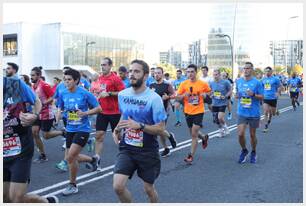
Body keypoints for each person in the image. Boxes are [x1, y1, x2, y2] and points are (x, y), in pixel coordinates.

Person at [112, 59, 167, 203]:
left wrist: (141, 126)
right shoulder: (123, 95)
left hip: (147, 150)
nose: (132, 74)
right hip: (127, 147)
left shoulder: (154, 99)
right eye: (130, 71)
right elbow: (125, 115)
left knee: (148, 189)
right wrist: (117, 129)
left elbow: (161, 128)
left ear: (145, 75)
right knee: (118, 186)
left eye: (136, 71)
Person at [4, 63, 58, 203]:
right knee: (5, 199)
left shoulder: (14, 84)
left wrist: (34, 115)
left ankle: (47, 202)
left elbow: (36, 101)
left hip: (20, 148)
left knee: (16, 198)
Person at [57, 68, 102, 196]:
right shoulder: (63, 93)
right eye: (65, 80)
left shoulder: (85, 93)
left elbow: (99, 108)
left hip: (83, 129)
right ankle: (93, 160)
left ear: (76, 80)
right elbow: (60, 107)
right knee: (70, 157)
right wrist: (58, 116)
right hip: (70, 129)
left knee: (70, 157)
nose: (66, 82)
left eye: (69, 80)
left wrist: (85, 113)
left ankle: (72, 185)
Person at [88, 57, 125, 169]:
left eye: (104, 65)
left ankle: (125, 157)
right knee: (99, 136)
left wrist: (109, 93)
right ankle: (97, 160)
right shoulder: (99, 79)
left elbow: (123, 93)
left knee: (118, 137)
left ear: (110, 66)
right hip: (102, 111)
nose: (102, 67)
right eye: (101, 65)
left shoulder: (116, 79)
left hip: (115, 112)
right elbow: (96, 91)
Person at [176, 64, 210, 164]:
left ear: (196, 72)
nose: (190, 74)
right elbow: (177, 97)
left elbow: (209, 93)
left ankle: (190, 156)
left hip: (199, 111)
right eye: (188, 72)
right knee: (192, 133)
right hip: (187, 111)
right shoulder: (184, 84)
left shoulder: (202, 84)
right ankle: (204, 137)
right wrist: (183, 96)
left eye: (192, 72)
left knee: (194, 135)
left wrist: (205, 95)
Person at [30, 66, 65, 163]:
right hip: (37, 113)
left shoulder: (44, 85)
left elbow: (52, 97)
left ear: (39, 75)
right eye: (30, 75)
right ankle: (42, 155)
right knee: (34, 132)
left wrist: (44, 102)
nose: (31, 77)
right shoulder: (33, 86)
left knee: (45, 136)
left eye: (33, 75)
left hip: (46, 113)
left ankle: (62, 132)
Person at [235, 62, 263, 164]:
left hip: (253, 113)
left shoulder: (257, 82)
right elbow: (237, 93)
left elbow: (262, 97)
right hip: (242, 112)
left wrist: (253, 94)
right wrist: (237, 95)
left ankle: (254, 151)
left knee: (252, 135)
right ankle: (244, 150)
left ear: (252, 70)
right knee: (240, 134)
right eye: (244, 68)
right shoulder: (239, 81)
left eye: (248, 68)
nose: (246, 70)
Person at [150, 67, 177, 157]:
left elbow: (174, 94)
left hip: (163, 111)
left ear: (162, 74)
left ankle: (166, 148)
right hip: (153, 111)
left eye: (158, 73)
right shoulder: (152, 85)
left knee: (159, 130)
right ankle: (169, 137)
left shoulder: (167, 85)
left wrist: (168, 97)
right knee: (158, 131)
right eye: (155, 73)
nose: (156, 74)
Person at [210, 69, 232, 137]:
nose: (215, 76)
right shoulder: (212, 83)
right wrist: (211, 95)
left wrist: (225, 96)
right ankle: (221, 131)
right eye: (214, 75)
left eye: (216, 75)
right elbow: (210, 92)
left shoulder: (225, 82)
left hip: (223, 103)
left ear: (219, 75)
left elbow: (230, 90)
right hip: (215, 103)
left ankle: (225, 128)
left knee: (220, 117)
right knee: (216, 119)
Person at [261, 67, 282, 132]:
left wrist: (277, 92)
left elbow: (280, 86)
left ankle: (276, 111)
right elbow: (261, 88)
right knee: (265, 112)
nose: (267, 72)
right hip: (265, 98)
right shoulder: (263, 79)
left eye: (268, 71)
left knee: (273, 113)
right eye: (266, 71)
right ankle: (266, 126)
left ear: (271, 72)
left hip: (273, 98)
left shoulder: (275, 79)